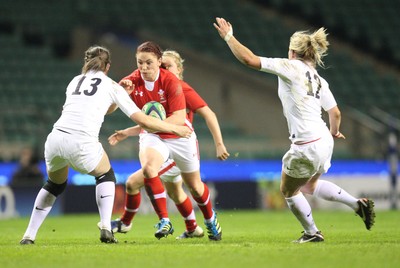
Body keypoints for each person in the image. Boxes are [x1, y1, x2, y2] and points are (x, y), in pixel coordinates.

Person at [213, 17, 375, 243]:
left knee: (288, 191)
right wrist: (334, 132)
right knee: (310, 185)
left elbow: (249, 59)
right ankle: (357, 205)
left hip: (307, 142)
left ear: (292, 51)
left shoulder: (289, 66)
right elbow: (335, 113)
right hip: (324, 140)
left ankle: (312, 233)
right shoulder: (319, 80)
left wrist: (229, 37)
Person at [19, 45, 192, 245]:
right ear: (108, 66)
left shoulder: (74, 81)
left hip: (55, 139)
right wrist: (175, 129)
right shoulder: (111, 86)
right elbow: (144, 121)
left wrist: (121, 96)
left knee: (54, 185)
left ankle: (29, 236)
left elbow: (96, 105)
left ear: (87, 62)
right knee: (106, 175)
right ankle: (106, 228)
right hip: (81, 142)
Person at [105, 49, 230, 240]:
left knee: (193, 188)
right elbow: (151, 121)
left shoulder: (180, 87)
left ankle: (209, 220)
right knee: (170, 189)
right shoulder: (146, 83)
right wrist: (129, 132)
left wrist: (219, 143)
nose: (163, 69)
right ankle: (184, 226)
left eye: (167, 66)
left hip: (181, 140)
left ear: (179, 69)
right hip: (158, 140)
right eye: (163, 66)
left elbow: (207, 114)